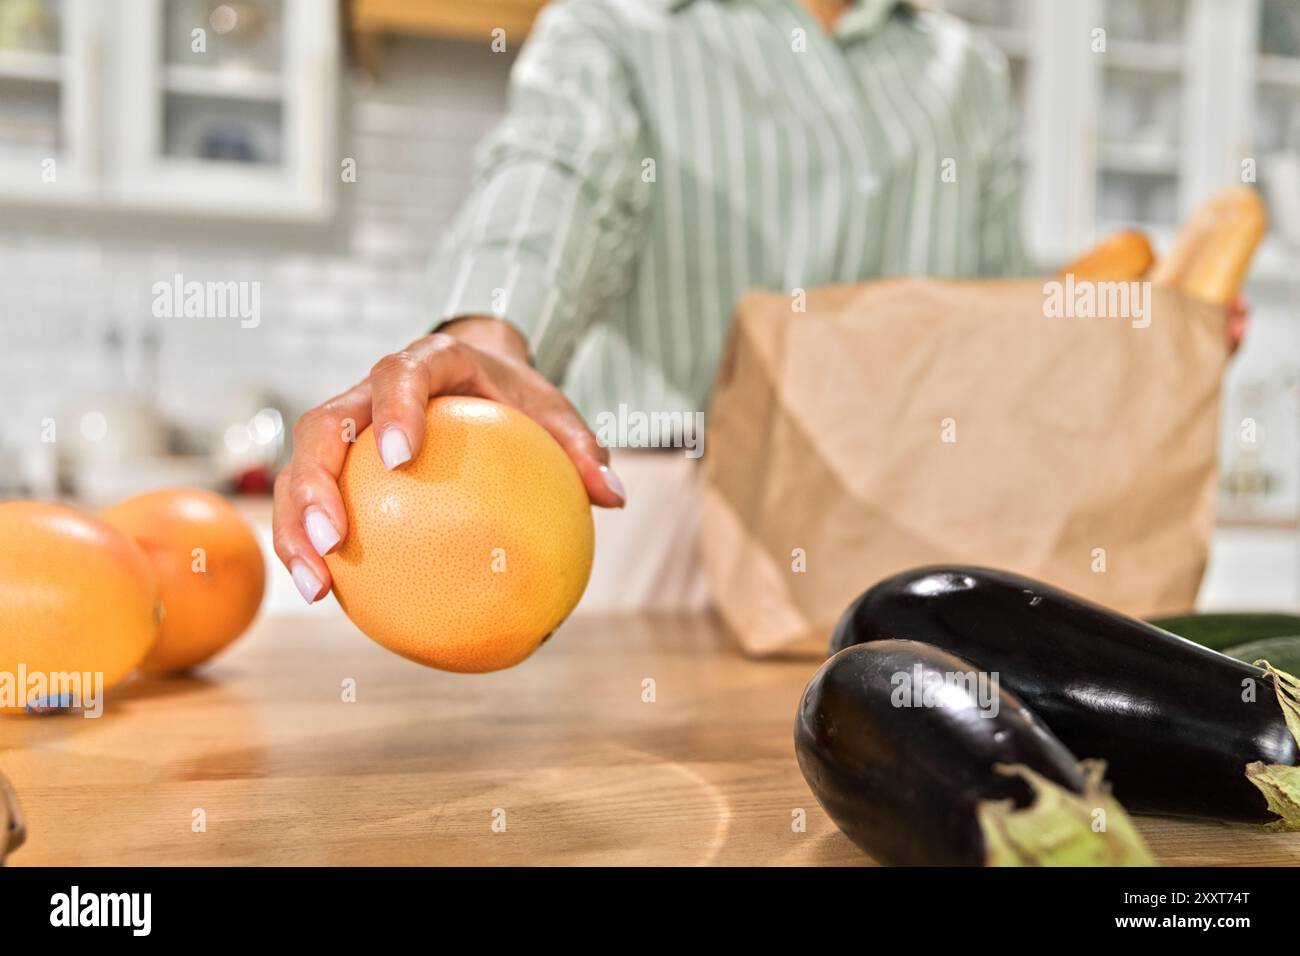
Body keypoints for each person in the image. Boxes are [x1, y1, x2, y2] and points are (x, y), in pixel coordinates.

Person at [270, 0, 1241, 604]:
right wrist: (484, 331)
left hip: (905, 532)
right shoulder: (615, 23)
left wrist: (1142, 363)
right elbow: (556, 180)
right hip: (668, 528)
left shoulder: (964, 73)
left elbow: (988, 323)